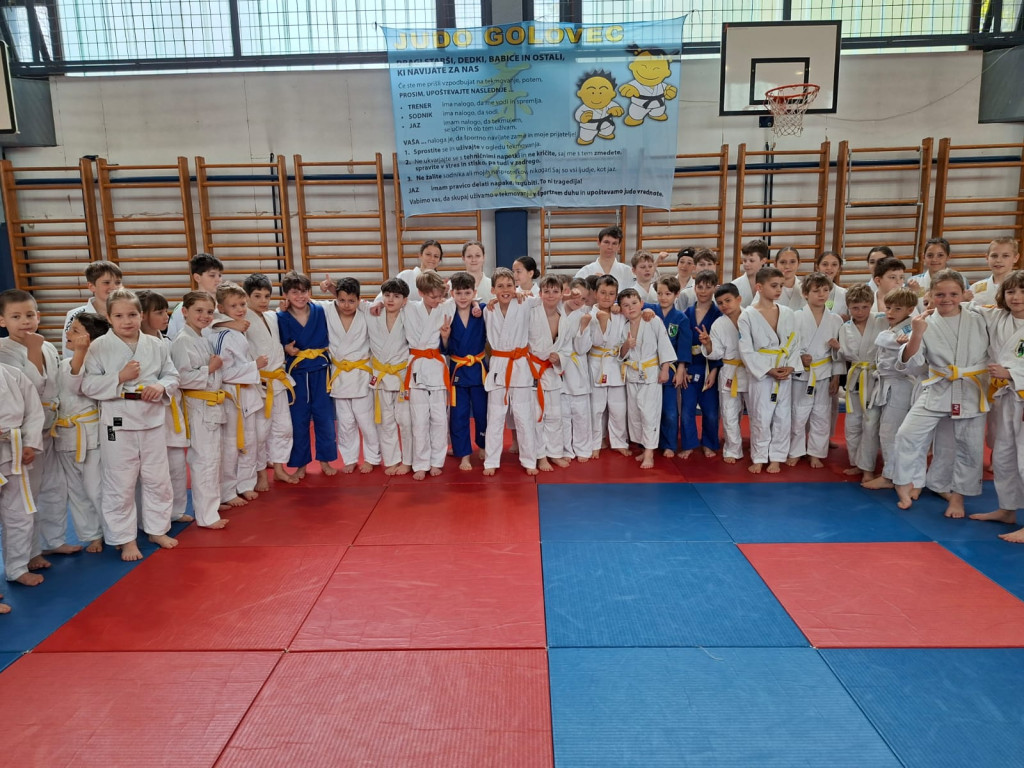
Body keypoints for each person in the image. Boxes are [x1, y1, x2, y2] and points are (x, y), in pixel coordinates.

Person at [81, 289, 180, 562]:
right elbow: (87, 385)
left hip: (151, 419)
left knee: (157, 479)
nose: (127, 321)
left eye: (132, 314)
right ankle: (125, 539)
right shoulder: (98, 347)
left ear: (141, 315)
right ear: (108, 317)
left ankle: (157, 529)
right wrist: (119, 377)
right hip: (118, 422)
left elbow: (172, 375)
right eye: (119, 316)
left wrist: (161, 386)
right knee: (120, 482)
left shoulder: (157, 344)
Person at [892, 270, 990, 517]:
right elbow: (909, 361)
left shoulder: (980, 317)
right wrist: (916, 333)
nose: (947, 299)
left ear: (963, 294)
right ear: (930, 295)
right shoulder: (924, 322)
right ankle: (903, 482)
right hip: (938, 386)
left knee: (968, 447)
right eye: (940, 294)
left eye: (953, 294)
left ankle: (957, 498)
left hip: (970, 389)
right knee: (907, 434)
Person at [0, 289, 76, 569]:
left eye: (29, 315)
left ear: (39, 316)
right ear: (2, 321)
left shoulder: (46, 346)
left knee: (55, 487)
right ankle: (30, 554)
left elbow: (56, 385)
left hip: (50, 426)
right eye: (16, 316)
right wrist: (33, 350)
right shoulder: (3, 351)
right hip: (22, 438)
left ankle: (53, 540)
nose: (25, 321)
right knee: (26, 497)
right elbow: (28, 391)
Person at [967, 270, 1024, 541]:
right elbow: (968, 310)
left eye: (1023, 291)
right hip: (1005, 398)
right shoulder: (998, 316)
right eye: (1011, 291)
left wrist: (1012, 373)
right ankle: (1007, 509)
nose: (1017, 297)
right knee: (1003, 456)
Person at [170, 291, 229, 529]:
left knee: (213, 458)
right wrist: (210, 368)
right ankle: (206, 516)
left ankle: (211, 505)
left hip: (210, 404)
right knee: (204, 461)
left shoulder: (202, 336)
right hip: (197, 406)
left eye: (209, 311)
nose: (205, 316)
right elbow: (181, 378)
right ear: (184, 312)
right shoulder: (182, 341)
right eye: (199, 311)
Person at [738, 266, 802, 474]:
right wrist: (767, 370)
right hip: (762, 373)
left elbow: (795, 342)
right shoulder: (747, 315)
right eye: (774, 286)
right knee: (761, 416)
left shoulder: (788, 313)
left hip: (784, 368)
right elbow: (746, 350)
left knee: (783, 416)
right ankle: (759, 457)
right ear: (759, 287)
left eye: (781, 286)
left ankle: (777, 457)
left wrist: (791, 365)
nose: (779, 290)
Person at [138, 289, 191, 524]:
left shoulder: (167, 341)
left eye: (165, 311)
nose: (165, 316)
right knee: (151, 473)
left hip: (171, 409)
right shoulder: (134, 345)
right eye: (159, 312)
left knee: (177, 466)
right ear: (142, 315)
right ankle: (147, 518)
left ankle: (175, 511)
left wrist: (164, 386)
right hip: (145, 413)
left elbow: (175, 376)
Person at [55, 313, 108, 553]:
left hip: (90, 435)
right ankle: (92, 535)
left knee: (96, 489)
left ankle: (114, 531)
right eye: (70, 329)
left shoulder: (99, 364)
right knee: (75, 491)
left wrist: (81, 351)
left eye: (75, 331)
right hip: (64, 434)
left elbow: (76, 385)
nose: (68, 334)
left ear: (91, 339)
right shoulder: (63, 363)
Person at [278, 270, 337, 478]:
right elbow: (276, 344)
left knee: (325, 418)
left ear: (309, 292)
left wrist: (331, 287)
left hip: (320, 370)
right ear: (285, 294)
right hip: (297, 373)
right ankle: (300, 464)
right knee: (298, 420)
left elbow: (346, 302)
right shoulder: (280, 316)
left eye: (304, 291)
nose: (300, 296)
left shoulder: (320, 310)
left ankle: (325, 460)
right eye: (294, 292)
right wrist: (286, 349)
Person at [862, 288, 922, 491]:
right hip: (885, 383)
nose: (890, 312)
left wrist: (898, 340)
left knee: (890, 431)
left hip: (900, 385)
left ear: (910, 309)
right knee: (879, 428)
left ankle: (890, 476)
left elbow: (887, 341)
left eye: (897, 309)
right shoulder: (893, 330)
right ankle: (888, 471)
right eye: (888, 307)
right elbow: (883, 339)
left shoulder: (910, 330)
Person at [211, 283, 266, 504]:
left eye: (242, 304)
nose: (240, 309)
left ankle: (246, 484)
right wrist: (254, 366)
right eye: (233, 306)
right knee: (231, 445)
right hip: (231, 397)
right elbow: (223, 373)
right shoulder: (222, 334)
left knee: (251, 441)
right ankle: (228, 491)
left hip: (247, 393)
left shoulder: (237, 330)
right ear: (221, 308)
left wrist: (253, 369)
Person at [483, 267, 540, 476]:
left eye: (509, 285)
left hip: (520, 366)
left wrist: (525, 292)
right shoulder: (488, 309)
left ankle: (529, 459)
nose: (505, 290)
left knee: (524, 417)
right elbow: (470, 305)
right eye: (500, 286)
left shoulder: (525, 303)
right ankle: (491, 460)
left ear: (515, 287)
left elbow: (545, 299)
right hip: (499, 366)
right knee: (495, 417)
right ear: (493, 290)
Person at [242, 274, 297, 486]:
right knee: (260, 431)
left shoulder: (272, 316)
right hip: (259, 383)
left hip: (278, 380)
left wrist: (285, 349)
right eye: (257, 296)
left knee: (284, 427)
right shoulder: (242, 320)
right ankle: (261, 474)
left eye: (266, 296)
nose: (263, 300)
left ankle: (280, 468)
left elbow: (273, 345)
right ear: (247, 297)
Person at [324, 277, 380, 474]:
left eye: (351, 301)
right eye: (342, 300)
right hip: (339, 375)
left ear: (359, 300)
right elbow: (304, 304)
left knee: (366, 421)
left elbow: (379, 305)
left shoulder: (366, 312)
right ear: (336, 298)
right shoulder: (328, 310)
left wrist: (334, 289)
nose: (346, 305)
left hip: (361, 375)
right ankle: (350, 458)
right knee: (345, 423)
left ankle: (372, 457)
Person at [787, 273, 844, 468]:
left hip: (824, 373)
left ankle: (815, 453)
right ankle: (795, 451)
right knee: (798, 413)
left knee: (822, 414)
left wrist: (836, 376)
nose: (821, 294)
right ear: (805, 293)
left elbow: (837, 353)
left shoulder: (836, 320)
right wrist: (799, 358)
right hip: (801, 373)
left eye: (825, 290)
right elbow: (788, 347)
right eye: (816, 291)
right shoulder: (794, 317)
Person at [404, 271, 456, 480]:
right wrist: (378, 304)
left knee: (439, 419)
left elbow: (468, 299)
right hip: (417, 367)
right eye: (432, 296)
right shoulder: (408, 307)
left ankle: (436, 461)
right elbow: (385, 299)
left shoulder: (446, 307)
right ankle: (420, 463)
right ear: (420, 293)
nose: (436, 300)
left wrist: (445, 338)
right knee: (419, 420)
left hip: (436, 366)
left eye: (439, 296)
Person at [617, 288, 676, 469]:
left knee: (649, 414)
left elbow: (664, 345)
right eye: (626, 305)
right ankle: (644, 447)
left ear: (642, 303)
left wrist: (665, 369)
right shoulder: (624, 326)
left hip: (651, 374)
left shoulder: (653, 320)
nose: (631, 307)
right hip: (632, 375)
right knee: (635, 415)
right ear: (621, 309)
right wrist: (626, 345)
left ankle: (650, 453)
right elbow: (620, 354)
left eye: (634, 303)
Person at [0, 357, 45, 588]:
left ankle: (17, 568)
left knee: (20, 514)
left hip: (12, 452)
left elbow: (34, 412)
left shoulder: (13, 374)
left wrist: (29, 443)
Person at [838, 284, 886, 482]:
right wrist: (837, 349)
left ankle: (868, 467)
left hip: (875, 378)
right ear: (848, 307)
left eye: (865, 307)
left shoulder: (882, 321)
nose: (860, 312)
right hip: (856, 376)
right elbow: (845, 354)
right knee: (852, 422)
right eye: (855, 308)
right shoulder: (845, 327)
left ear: (871, 304)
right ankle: (856, 463)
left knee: (870, 423)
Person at [367, 278, 413, 476]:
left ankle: (409, 461)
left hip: (402, 375)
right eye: (387, 295)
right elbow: (346, 301)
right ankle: (392, 460)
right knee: (385, 422)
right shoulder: (372, 313)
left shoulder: (410, 314)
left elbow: (435, 303)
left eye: (396, 296)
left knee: (406, 421)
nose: (391, 300)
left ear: (405, 300)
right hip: (381, 376)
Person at [444, 271, 487, 471]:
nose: (463, 297)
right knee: (458, 414)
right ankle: (464, 454)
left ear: (474, 293)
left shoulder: (482, 310)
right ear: (452, 293)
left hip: (479, 369)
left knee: (482, 411)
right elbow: (444, 348)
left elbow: (498, 303)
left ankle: (484, 445)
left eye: (467, 293)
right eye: (459, 293)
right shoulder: (446, 312)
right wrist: (445, 337)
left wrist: (477, 304)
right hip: (458, 371)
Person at [701, 283, 748, 464]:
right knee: (729, 413)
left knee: (758, 413)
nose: (724, 305)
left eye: (728, 300)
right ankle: (733, 449)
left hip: (752, 370)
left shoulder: (752, 317)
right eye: (720, 303)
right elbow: (717, 353)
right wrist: (708, 345)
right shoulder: (718, 324)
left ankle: (760, 448)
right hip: (729, 370)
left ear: (739, 299)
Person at [529, 274, 569, 470]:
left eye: (555, 291)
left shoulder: (564, 319)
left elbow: (568, 347)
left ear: (562, 294)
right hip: (533, 370)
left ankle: (555, 453)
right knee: (537, 416)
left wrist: (559, 357)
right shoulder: (531, 312)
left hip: (552, 371)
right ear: (540, 293)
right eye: (547, 291)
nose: (551, 295)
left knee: (555, 415)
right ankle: (540, 456)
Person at [588, 274, 629, 458]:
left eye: (611, 294)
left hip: (615, 363)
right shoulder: (589, 315)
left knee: (618, 409)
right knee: (595, 409)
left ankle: (619, 441)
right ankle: (595, 443)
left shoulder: (620, 315)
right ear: (595, 293)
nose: (607, 297)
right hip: (596, 363)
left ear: (616, 295)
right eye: (603, 292)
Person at [648, 275, 689, 457]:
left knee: (670, 411)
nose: (663, 297)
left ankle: (669, 444)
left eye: (668, 294)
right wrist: (618, 305)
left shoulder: (681, 318)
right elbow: (628, 301)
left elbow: (684, 346)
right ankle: (648, 443)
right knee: (648, 410)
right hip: (649, 367)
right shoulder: (649, 310)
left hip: (671, 369)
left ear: (676, 294)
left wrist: (681, 369)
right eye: (659, 293)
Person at [681, 270, 721, 458]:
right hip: (690, 367)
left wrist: (714, 371)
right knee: (687, 410)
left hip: (710, 367)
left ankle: (708, 443)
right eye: (700, 287)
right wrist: (682, 367)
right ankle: (688, 443)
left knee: (711, 411)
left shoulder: (719, 315)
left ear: (714, 288)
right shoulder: (686, 314)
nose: (703, 291)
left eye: (708, 287)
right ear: (694, 288)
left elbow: (721, 345)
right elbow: (681, 344)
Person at [560, 282, 594, 462]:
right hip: (558, 366)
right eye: (576, 296)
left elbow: (582, 349)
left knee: (581, 414)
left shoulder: (585, 316)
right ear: (567, 292)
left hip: (577, 368)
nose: (579, 301)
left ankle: (583, 448)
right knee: (562, 415)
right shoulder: (555, 309)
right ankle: (565, 449)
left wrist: (583, 327)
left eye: (583, 299)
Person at [62, 260, 123, 358]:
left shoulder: (127, 313)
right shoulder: (74, 315)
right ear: (91, 286)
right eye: (106, 283)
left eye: (118, 282)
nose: (114, 287)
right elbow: (69, 352)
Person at [167, 253, 224, 339]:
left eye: (220, 275)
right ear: (197, 277)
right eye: (212, 275)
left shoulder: (224, 306)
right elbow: (173, 338)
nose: (218, 280)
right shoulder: (183, 308)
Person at [970, 237, 1021, 307]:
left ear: (1015, 258)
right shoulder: (975, 288)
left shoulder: (1021, 284)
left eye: (1005, 256)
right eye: (994, 256)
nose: (998, 260)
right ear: (987, 257)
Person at [731, 239, 770, 308]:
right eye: (744, 260)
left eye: (751, 261)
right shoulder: (734, 285)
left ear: (763, 261)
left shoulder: (772, 284)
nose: (746, 264)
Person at [814, 251, 848, 319]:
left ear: (839, 268)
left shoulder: (844, 294)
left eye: (834, 264)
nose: (829, 268)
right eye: (825, 264)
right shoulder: (808, 291)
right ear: (817, 267)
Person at [775, 247, 806, 311]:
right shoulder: (766, 288)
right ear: (775, 264)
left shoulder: (806, 288)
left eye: (792, 262)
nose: (787, 266)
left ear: (799, 264)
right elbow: (756, 312)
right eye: (782, 262)